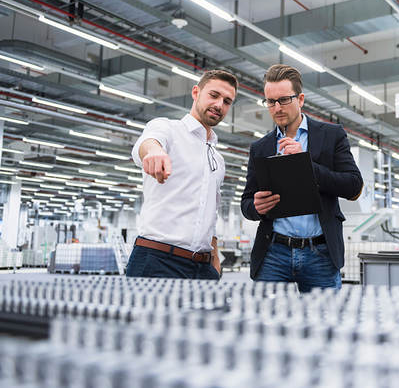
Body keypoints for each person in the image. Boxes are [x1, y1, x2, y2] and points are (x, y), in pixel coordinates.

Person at [241, 64, 363, 292]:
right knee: (268, 325)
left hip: (321, 253)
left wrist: (306, 164)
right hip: (273, 253)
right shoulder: (260, 147)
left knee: (324, 324)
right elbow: (246, 203)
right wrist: (256, 207)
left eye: (284, 100)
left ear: (301, 99)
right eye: (270, 102)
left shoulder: (331, 135)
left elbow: (353, 186)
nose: (277, 108)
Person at [126, 69, 237, 279]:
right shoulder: (168, 129)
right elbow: (148, 141)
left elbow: (209, 211)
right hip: (157, 260)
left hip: (202, 268)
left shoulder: (217, 159)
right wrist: (154, 151)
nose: (219, 105)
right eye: (213, 95)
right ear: (196, 92)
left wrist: (214, 255)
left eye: (227, 101)